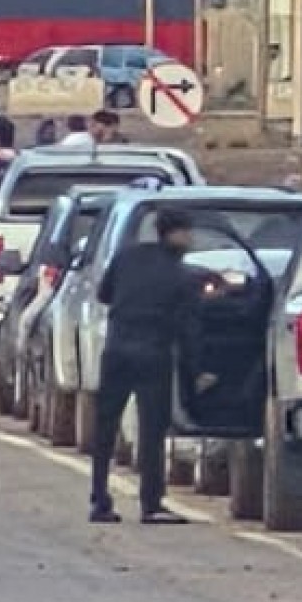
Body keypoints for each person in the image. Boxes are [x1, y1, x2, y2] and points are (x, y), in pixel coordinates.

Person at [88, 209, 196, 526]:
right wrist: (197, 369)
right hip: (153, 356)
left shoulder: (126, 257)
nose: (192, 239)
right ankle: (151, 503)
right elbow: (188, 327)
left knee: (105, 429)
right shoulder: (180, 275)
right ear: (173, 234)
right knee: (151, 432)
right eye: (187, 232)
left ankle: (99, 500)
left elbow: (104, 293)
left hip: (117, 351)